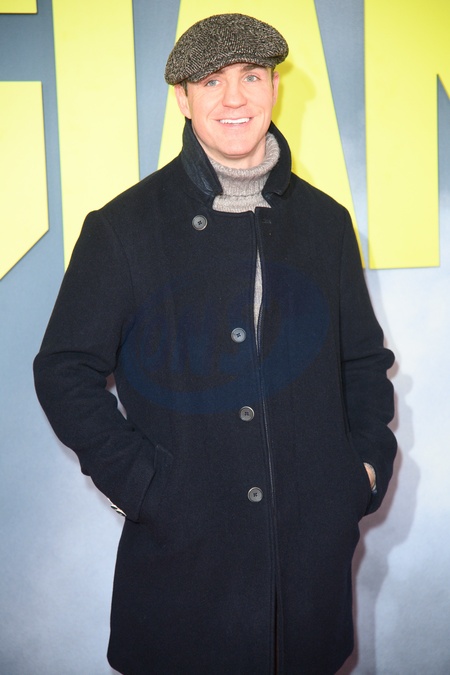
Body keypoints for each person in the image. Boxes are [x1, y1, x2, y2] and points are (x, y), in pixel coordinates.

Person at [34, 13, 397, 675]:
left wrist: (363, 470)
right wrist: (142, 486)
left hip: (309, 577)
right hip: (183, 575)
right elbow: (63, 369)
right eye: (211, 81)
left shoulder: (326, 223)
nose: (235, 98)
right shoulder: (122, 227)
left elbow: (364, 363)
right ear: (183, 98)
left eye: (251, 76)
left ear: (275, 88)